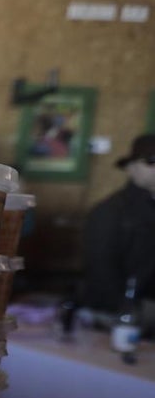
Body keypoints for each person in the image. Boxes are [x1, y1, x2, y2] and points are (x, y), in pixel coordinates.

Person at [81, 133, 155, 336]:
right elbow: (101, 273)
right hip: (115, 317)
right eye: (151, 161)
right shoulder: (110, 211)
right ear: (131, 168)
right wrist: (134, 311)